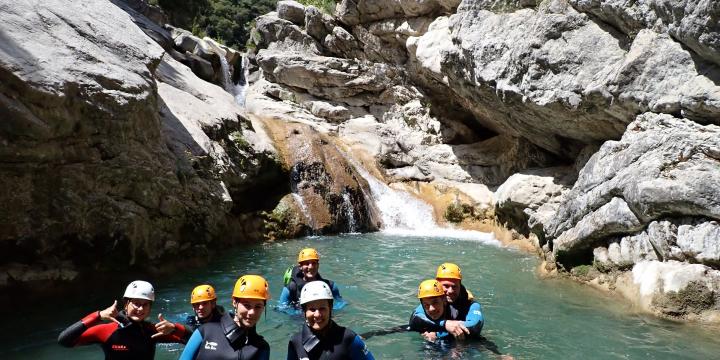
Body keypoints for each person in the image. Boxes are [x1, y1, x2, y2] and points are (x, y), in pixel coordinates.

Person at [58, 280, 188, 359]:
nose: (141, 309)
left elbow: (195, 339)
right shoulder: (106, 331)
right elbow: (64, 340)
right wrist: (97, 316)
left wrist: (174, 328)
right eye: (136, 303)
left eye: (145, 304)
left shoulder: (153, 331)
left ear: (150, 308)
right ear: (126, 304)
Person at [179, 275, 270, 360]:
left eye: (258, 306)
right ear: (234, 302)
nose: (252, 312)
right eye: (246, 305)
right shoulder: (205, 332)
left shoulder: (261, 347)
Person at [287, 281, 374, 360]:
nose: (317, 314)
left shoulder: (349, 339)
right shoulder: (295, 342)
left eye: (322, 308)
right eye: (312, 309)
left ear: (330, 308)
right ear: (304, 311)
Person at [435, 262, 484, 339]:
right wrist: (445, 324)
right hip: (438, 343)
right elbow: (415, 319)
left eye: (455, 287)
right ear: (437, 284)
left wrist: (436, 333)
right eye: (446, 286)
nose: (450, 291)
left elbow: (475, 325)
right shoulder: (431, 300)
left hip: (467, 343)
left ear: (460, 286)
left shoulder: (471, 304)